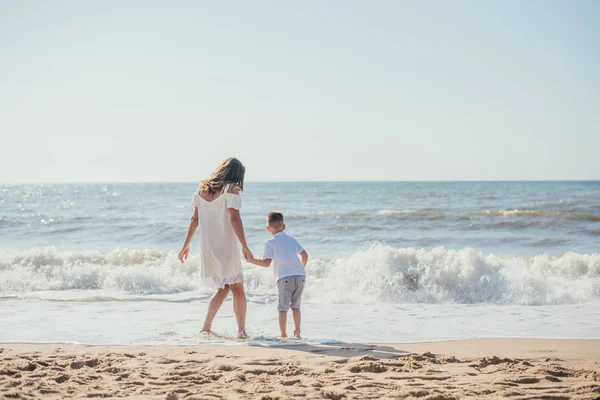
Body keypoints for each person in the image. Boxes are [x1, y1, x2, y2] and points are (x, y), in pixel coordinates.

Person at [178, 157, 253, 338]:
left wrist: (186, 245)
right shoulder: (232, 190)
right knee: (237, 288)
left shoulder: (201, 190)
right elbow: (235, 219)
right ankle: (241, 331)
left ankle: (206, 327)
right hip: (225, 245)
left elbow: (194, 220)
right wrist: (244, 245)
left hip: (208, 247)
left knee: (223, 288)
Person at [246, 211, 309, 338]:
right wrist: (299, 269)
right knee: (296, 306)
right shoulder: (292, 240)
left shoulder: (271, 242)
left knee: (282, 308)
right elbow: (304, 255)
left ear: (268, 228)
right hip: (300, 276)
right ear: (284, 227)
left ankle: (283, 334)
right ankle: (297, 333)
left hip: (284, 278)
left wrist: (251, 260)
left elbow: (266, 263)